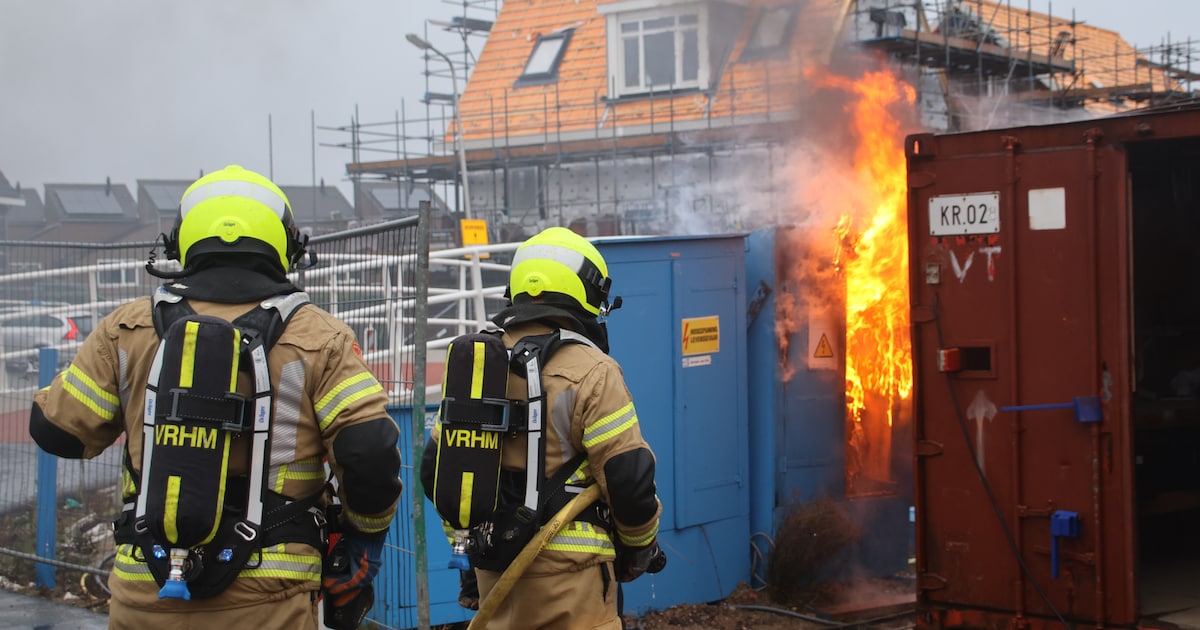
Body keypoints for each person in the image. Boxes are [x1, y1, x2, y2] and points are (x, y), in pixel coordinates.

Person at [28, 165, 402, 629]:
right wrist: (364, 540)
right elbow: (369, 454)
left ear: (181, 242)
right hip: (271, 594)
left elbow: (56, 431)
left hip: (146, 588)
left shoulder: (127, 329)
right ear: (284, 245)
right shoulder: (319, 337)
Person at [421, 226, 664, 629]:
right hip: (574, 589)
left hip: (493, 580)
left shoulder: (477, 369)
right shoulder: (594, 371)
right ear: (585, 293)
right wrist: (639, 550)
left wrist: (466, 553)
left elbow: (438, 473)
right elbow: (630, 481)